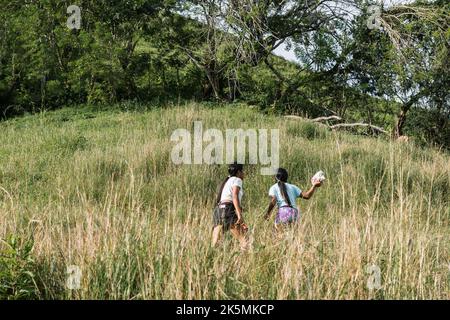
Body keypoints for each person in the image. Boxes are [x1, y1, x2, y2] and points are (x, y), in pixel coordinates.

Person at [212, 163, 248, 249]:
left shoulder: (226, 181)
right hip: (228, 210)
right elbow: (234, 196)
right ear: (238, 172)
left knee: (215, 243)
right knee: (244, 241)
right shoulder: (237, 179)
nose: (244, 173)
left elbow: (226, 198)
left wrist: (240, 208)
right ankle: (246, 259)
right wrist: (239, 215)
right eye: (242, 171)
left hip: (218, 210)